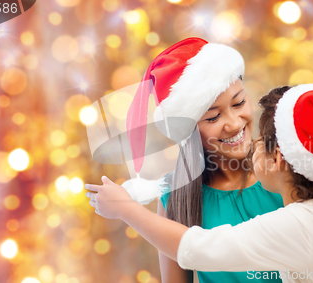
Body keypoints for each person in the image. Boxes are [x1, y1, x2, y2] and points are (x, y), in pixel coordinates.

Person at [85, 83, 313, 283]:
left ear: (277, 158)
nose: (237, 126)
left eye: (262, 142)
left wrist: (126, 209)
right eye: (213, 116)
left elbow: (197, 249)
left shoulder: (297, 225)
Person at [89, 37, 284, 283]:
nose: (235, 123)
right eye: (213, 117)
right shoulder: (176, 199)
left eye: (239, 102)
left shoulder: (283, 167)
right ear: (187, 132)